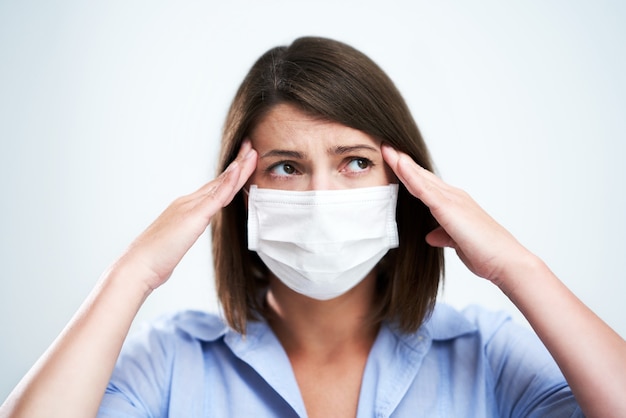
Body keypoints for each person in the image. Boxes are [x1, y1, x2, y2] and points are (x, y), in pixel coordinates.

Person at [1, 36, 625, 418]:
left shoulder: (485, 354)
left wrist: (519, 268)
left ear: (405, 182)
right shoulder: (171, 363)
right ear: (240, 192)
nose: (323, 198)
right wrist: (130, 273)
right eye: (286, 167)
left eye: (355, 162)